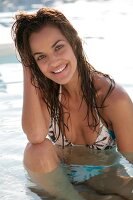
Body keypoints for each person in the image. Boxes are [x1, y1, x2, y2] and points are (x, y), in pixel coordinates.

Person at [11, 7, 133, 200]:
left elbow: (131, 158)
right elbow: (35, 136)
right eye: (40, 57)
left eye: (58, 47)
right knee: (37, 151)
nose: (53, 61)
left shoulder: (112, 98)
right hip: (60, 183)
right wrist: (28, 64)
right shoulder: (46, 94)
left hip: (106, 178)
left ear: (74, 42)